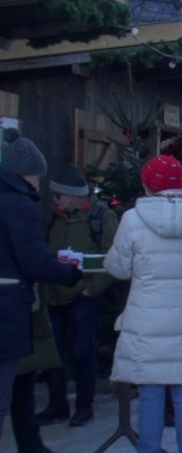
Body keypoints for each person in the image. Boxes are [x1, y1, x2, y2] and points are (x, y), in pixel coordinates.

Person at [104, 155, 182, 453]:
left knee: (150, 393)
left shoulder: (133, 219)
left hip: (146, 319)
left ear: (148, 184)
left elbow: (118, 268)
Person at [0, 128, 84, 453]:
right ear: (26, 172)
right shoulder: (17, 203)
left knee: (17, 381)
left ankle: (28, 446)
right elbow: (33, 260)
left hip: (11, 303)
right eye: (37, 176)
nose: (40, 184)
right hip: (7, 306)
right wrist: (69, 274)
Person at [39, 165, 118, 427]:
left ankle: (84, 407)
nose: (54, 200)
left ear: (73, 196)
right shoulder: (56, 218)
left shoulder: (101, 217)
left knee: (83, 352)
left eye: (58, 196)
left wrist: (91, 290)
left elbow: (113, 257)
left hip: (83, 297)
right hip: (54, 296)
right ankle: (57, 405)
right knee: (54, 353)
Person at [4, 288, 71, 453]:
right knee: (13, 389)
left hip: (22, 315)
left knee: (23, 386)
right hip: (13, 311)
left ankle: (30, 448)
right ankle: (30, 447)